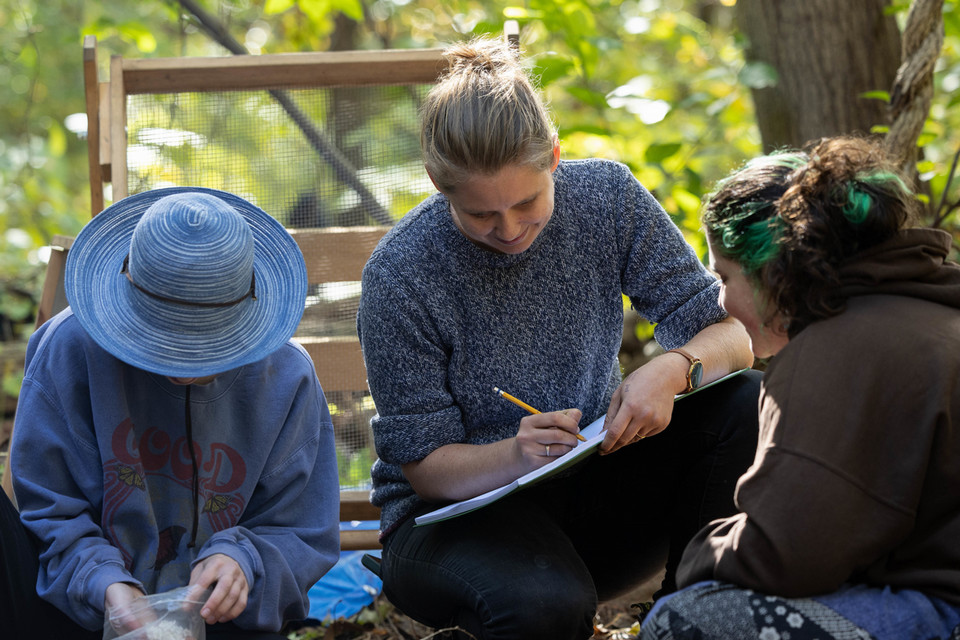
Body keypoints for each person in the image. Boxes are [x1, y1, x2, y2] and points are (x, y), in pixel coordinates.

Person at [356, 36, 762, 639]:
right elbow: (424, 468)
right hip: (449, 524)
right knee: (544, 603)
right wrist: (513, 456)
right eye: (480, 215)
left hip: (590, 492)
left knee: (744, 401)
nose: (510, 229)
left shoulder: (607, 199)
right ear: (437, 184)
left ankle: (688, 620)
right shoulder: (402, 274)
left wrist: (675, 367)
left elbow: (733, 337)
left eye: (527, 202)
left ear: (554, 156)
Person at [640, 136, 960, 639]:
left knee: (682, 620)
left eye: (724, 276)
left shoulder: (833, 351)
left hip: (944, 612)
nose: (723, 302)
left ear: (772, 271)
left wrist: (698, 554)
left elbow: (784, 555)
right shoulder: (934, 313)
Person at [3, 187, 340, 639]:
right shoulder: (70, 350)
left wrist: (244, 561)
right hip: (82, 608)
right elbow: (48, 510)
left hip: (224, 619)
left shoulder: (287, 379)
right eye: (161, 346)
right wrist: (105, 585)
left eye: (205, 351)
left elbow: (303, 529)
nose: (180, 369)